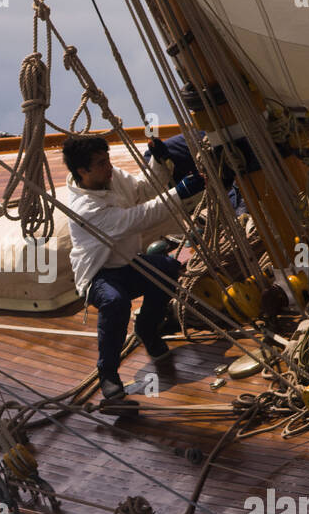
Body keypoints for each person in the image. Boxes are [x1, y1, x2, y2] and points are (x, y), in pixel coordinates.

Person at [62, 134, 204, 400]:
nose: (109, 167)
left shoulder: (110, 177)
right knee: (116, 303)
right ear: (82, 171)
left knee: (167, 270)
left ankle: (147, 329)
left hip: (126, 263)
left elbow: (142, 191)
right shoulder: (85, 209)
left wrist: (159, 163)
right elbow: (138, 218)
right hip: (99, 275)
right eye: (102, 163)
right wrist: (180, 192)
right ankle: (108, 374)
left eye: (108, 160)